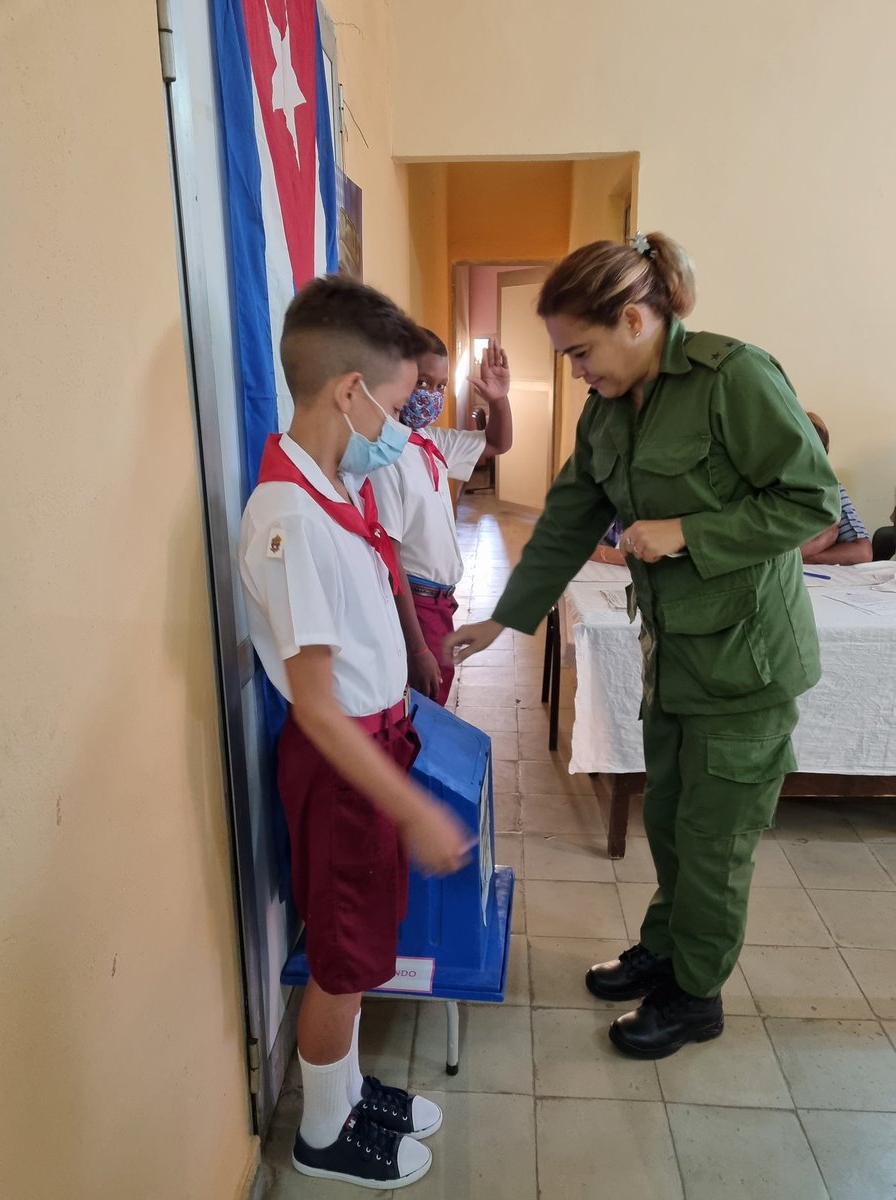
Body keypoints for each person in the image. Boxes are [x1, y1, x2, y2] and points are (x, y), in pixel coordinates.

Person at [445, 233, 840, 1060]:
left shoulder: (735, 378)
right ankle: (665, 952)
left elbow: (809, 500)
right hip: (678, 654)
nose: (577, 370)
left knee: (716, 840)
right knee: (669, 819)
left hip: (748, 664)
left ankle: (696, 996)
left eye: (581, 352)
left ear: (633, 318)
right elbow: (567, 517)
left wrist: (690, 531)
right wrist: (503, 617)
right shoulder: (609, 410)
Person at [239, 276, 472, 1188]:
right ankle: (322, 1135)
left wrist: (414, 655)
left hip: (375, 742)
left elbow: (376, 599)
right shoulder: (289, 518)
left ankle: (345, 1087)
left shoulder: (331, 486)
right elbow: (317, 708)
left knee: (366, 935)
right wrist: (409, 809)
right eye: (400, 398)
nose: (407, 424)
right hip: (346, 764)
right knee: (341, 955)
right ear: (350, 393)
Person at [371, 328, 513, 704]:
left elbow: (497, 443)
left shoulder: (429, 441)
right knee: (424, 710)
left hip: (439, 602)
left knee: (433, 706)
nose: (430, 395)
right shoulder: (385, 456)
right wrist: (418, 648)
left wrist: (499, 401)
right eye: (422, 382)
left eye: (440, 386)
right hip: (416, 605)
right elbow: (390, 559)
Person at [800, 412, 872, 564]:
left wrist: (808, 556)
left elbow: (863, 552)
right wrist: (816, 545)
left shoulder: (831, 489)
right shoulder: (761, 488)